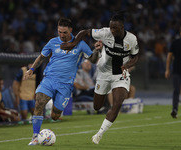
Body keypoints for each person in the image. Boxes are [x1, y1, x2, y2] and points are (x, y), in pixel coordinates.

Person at [61, 11, 139, 144]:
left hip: (120, 74)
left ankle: (99, 134)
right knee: (97, 106)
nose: (112, 30)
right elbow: (85, 32)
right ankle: (109, 90)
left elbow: (135, 56)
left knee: (117, 104)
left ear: (122, 27)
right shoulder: (104, 32)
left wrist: (127, 65)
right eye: (111, 27)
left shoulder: (131, 39)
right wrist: (73, 43)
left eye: (115, 28)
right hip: (103, 73)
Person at [24, 18, 102, 146]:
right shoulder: (53, 42)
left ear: (71, 30)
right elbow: (42, 57)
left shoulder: (80, 44)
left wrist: (97, 50)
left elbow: (93, 60)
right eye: (59, 32)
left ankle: (49, 123)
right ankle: (35, 137)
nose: (61, 35)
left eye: (64, 32)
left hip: (65, 85)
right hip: (50, 79)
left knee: (55, 116)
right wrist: (32, 69)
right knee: (39, 102)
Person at [165, 27, 181, 119]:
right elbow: (169, 55)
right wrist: (167, 69)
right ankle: (174, 110)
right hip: (176, 70)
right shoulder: (175, 43)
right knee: (176, 90)